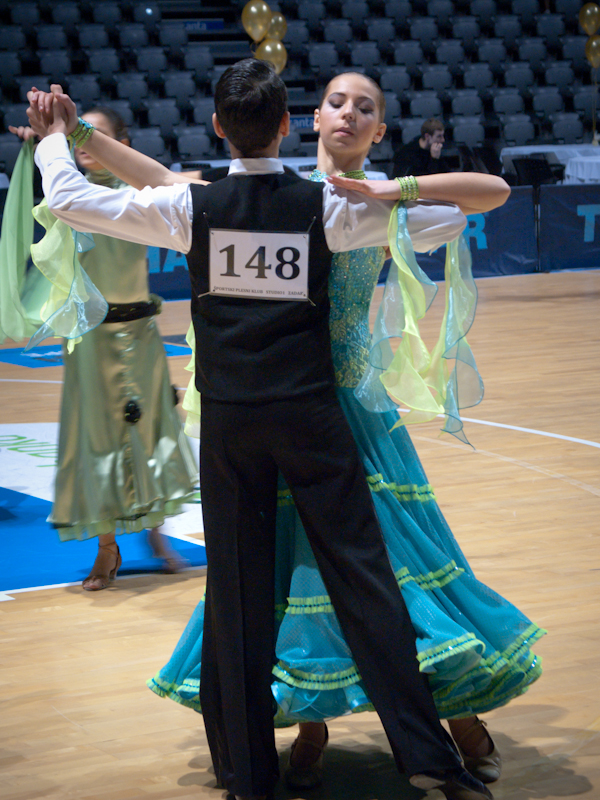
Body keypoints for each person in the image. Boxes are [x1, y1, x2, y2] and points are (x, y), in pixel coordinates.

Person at [25, 60, 510, 800]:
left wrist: (59, 138)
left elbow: (68, 196)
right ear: (293, 122)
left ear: (218, 126)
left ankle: (252, 776)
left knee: (242, 602)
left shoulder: (193, 206)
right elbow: (466, 208)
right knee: (369, 588)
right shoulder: (329, 210)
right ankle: (429, 758)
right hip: (315, 418)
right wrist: (397, 192)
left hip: (230, 425)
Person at [144, 73, 543, 790]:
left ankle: (448, 713)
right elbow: (171, 186)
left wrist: (394, 192)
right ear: (308, 120)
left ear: (380, 132)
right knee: (295, 576)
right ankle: (312, 721)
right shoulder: (287, 193)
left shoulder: (372, 199)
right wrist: (82, 144)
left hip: (351, 407)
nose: (350, 114)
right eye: (337, 102)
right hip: (282, 405)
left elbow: (490, 191)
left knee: (391, 570)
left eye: (366, 108)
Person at [4, 107, 198, 591]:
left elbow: (187, 181)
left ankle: (158, 536)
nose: (83, 145)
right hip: (91, 342)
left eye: (94, 136)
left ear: (120, 143)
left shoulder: (142, 194)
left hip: (141, 337)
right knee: (99, 443)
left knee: (151, 437)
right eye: (76, 138)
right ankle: (106, 549)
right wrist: (40, 143)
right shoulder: (71, 196)